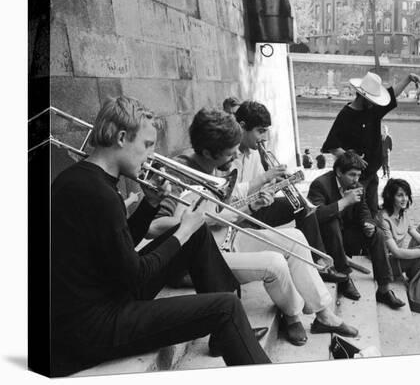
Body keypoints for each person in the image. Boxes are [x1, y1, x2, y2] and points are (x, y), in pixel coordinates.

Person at [50, 96, 270, 376]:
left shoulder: (87, 179)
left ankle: (225, 336)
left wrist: (149, 205)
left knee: (198, 233)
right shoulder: (97, 193)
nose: (151, 155)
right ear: (121, 138)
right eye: (147, 145)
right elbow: (136, 275)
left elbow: (119, 248)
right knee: (225, 308)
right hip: (92, 328)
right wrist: (182, 232)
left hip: (105, 295)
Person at [150, 108, 358, 347]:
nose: (235, 157)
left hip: (226, 238)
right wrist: (204, 218)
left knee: (296, 236)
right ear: (208, 152)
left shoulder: (214, 165)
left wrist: (254, 202)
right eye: (230, 154)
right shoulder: (179, 172)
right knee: (275, 262)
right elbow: (154, 227)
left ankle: (324, 314)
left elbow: (226, 204)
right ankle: (291, 315)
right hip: (198, 260)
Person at [233, 100, 349, 284]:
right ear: (242, 127)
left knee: (302, 207)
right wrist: (265, 178)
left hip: (255, 207)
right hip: (237, 216)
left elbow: (257, 192)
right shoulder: (227, 155)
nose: (264, 137)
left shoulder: (255, 152)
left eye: (266, 131)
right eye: (260, 131)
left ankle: (319, 262)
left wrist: (277, 182)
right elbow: (233, 199)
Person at [307, 150, 405, 308]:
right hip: (325, 243)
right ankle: (344, 278)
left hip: (345, 237)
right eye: (352, 175)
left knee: (378, 234)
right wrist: (344, 202)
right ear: (339, 172)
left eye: (358, 175)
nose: (356, 180)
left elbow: (364, 210)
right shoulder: (320, 185)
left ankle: (384, 290)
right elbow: (314, 217)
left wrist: (369, 224)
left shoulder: (358, 186)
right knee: (331, 223)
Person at [320, 71, 420, 215]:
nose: (376, 102)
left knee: (372, 211)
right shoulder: (345, 115)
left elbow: (391, 95)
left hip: (372, 173)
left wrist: (408, 79)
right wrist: (353, 158)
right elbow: (332, 146)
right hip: (355, 177)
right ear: (363, 97)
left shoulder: (372, 109)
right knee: (356, 214)